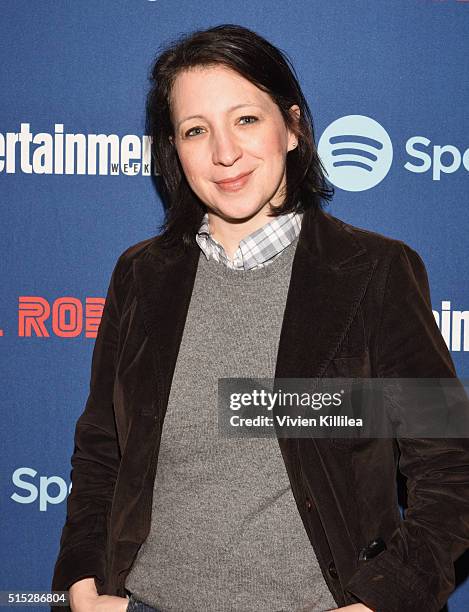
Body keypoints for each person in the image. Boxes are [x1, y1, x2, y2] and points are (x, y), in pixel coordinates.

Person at [51, 24, 469, 612]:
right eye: (196, 130)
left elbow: (452, 461)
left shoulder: (376, 271)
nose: (224, 153)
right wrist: (83, 585)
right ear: (174, 150)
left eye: (246, 119)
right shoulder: (141, 276)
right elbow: (102, 449)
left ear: (293, 127)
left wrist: (382, 601)